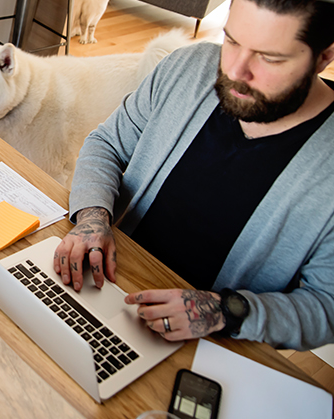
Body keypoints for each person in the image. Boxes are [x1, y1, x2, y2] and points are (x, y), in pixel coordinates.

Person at [53, 0, 334, 351]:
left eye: (269, 58)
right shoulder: (187, 67)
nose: (235, 70)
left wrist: (224, 311)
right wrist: (92, 219)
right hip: (109, 281)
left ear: (325, 56)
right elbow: (107, 144)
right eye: (231, 41)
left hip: (215, 343)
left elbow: (326, 306)